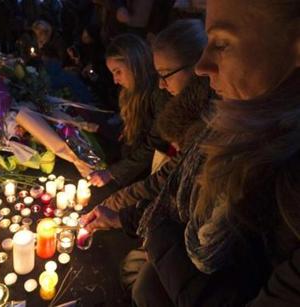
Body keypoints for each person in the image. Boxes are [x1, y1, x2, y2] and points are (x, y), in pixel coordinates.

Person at [85, 0, 300, 306]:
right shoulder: (223, 124)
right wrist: (125, 216)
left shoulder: (284, 182)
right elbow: (173, 183)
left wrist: (157, 229)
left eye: (222, 43)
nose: (202, 66)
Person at [81, 20, 212, 304]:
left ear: (200, 66)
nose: (162, 86)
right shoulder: (187, 116)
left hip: (185, 243)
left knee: (138, 282)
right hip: (167, 229)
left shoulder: (206, 127)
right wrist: (118, 208)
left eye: (165, 75)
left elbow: (167, 183)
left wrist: (121, 208)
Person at [87, 33, 170, 188]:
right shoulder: (132, 91)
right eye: (112, 73)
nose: (115, 80)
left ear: (135, 64)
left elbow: (153, 146)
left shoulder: (160, 93)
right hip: (131, 166)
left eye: (118, 71)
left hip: (147, 176)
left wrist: (111, 173)